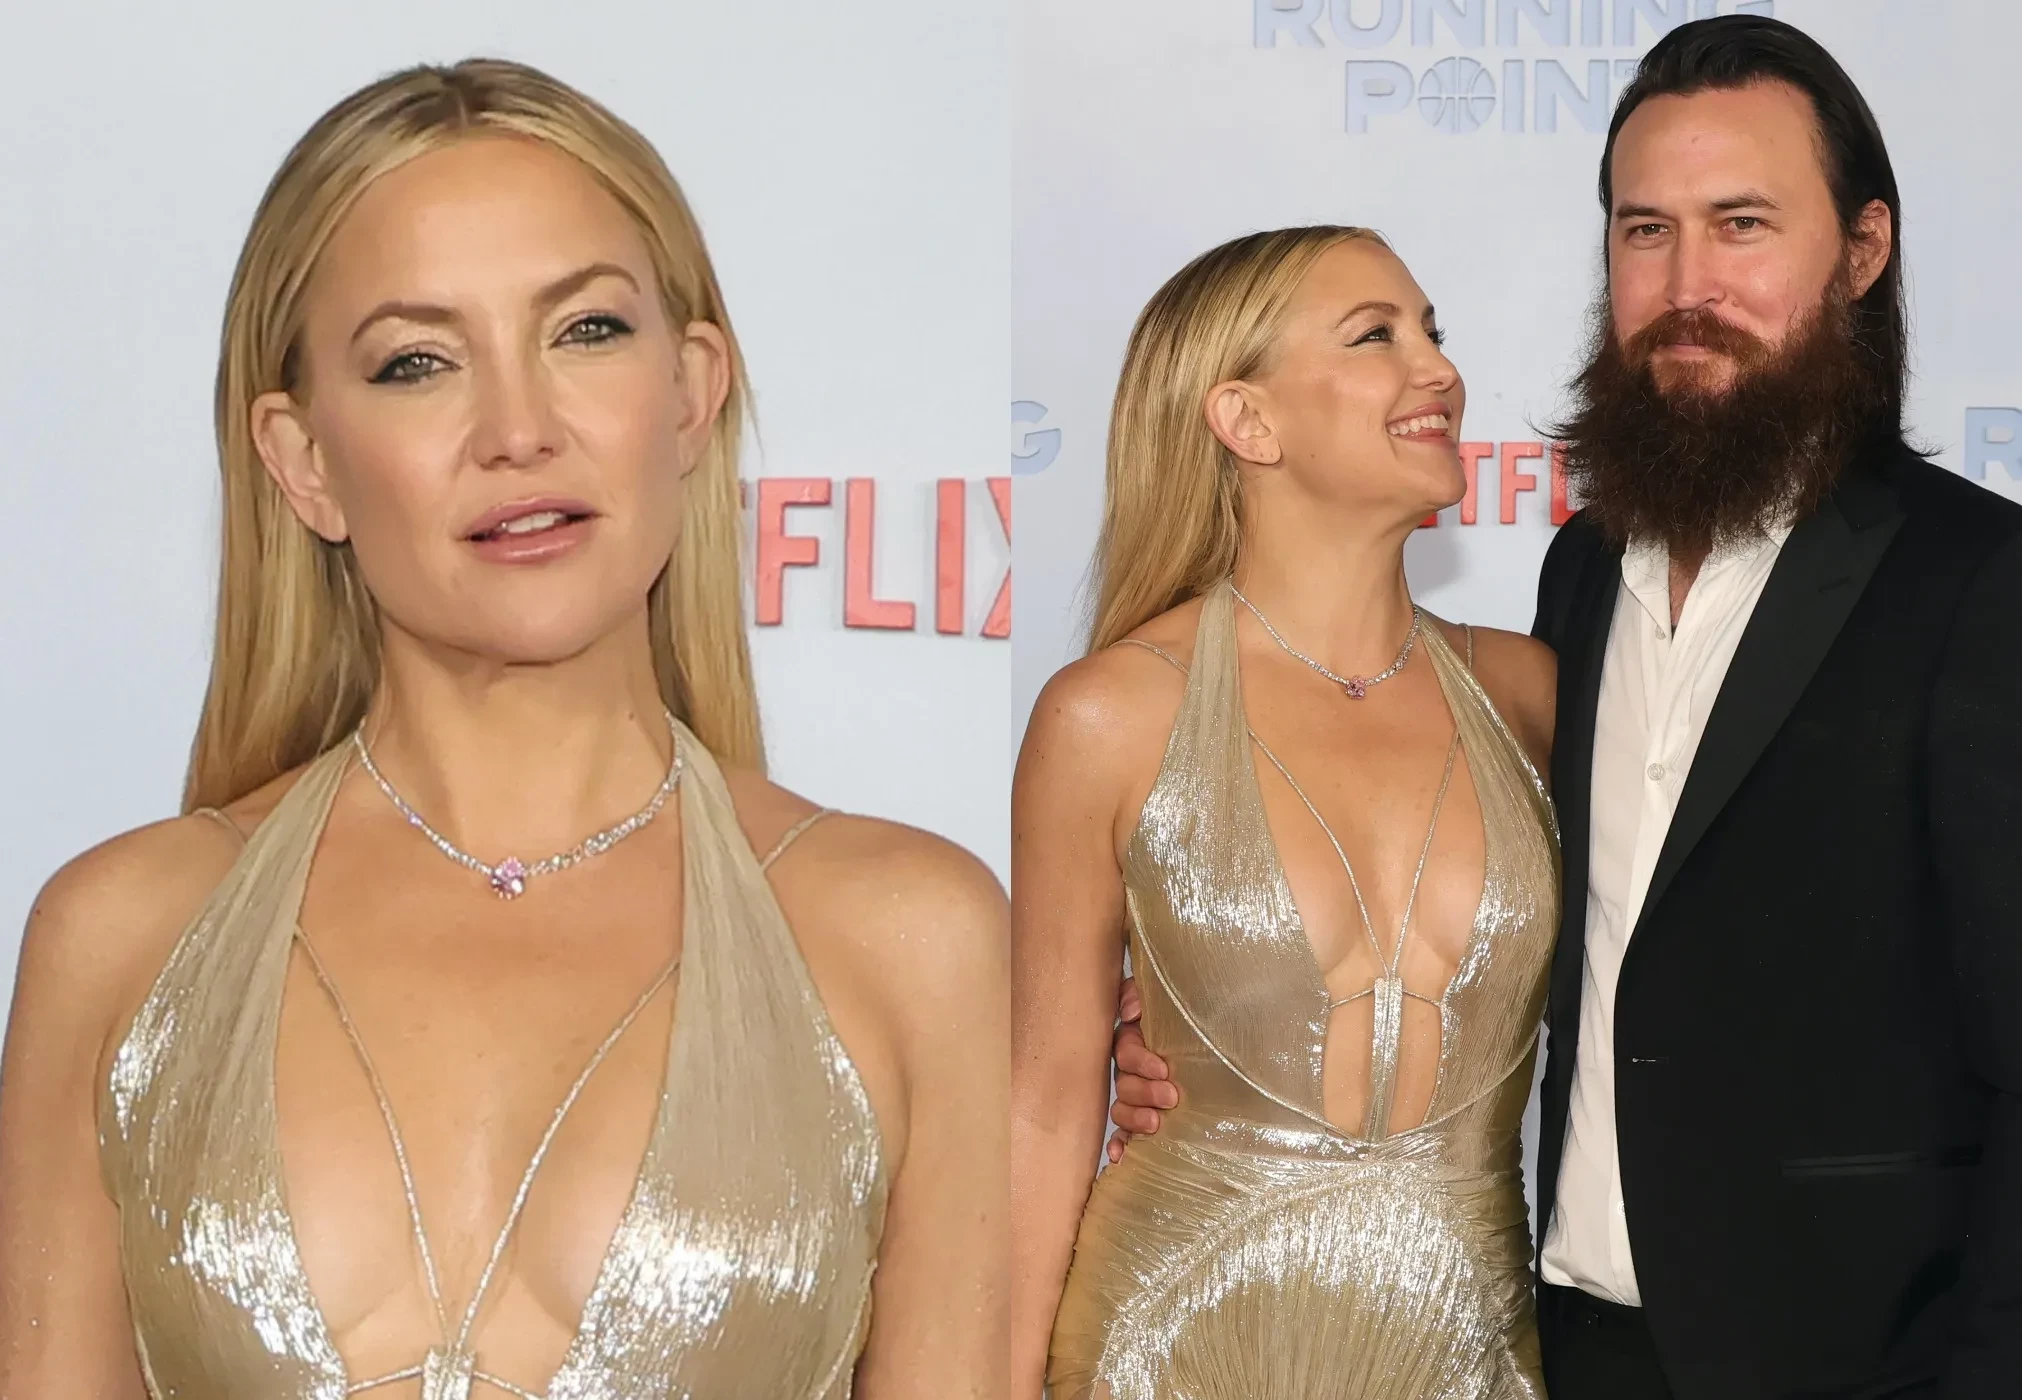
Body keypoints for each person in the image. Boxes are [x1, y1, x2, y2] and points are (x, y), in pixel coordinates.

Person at [0, 59, 1007, 1399]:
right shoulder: (120, 936)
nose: (519, 430)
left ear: (691, 393)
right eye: (417, 363)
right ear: (305, 462)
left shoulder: (909, 937)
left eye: (584, 331)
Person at [1104, 16, 2021, 1399]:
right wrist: (1213, 1037)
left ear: (1860, 251)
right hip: (1556, 1349)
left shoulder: (1977, 581)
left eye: (1742, 225)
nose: (1687, 285)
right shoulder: (1580, 573)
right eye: (1646, 231)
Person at [1011, 225, 1559, 1398]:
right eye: (1375, 336)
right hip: (1168, 1345)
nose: (1439, 369)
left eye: (1432, 332)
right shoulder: (1111, 714)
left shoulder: (1532, 694)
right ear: (1246, 421)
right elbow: (1044, 1106)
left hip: (1470, 1353)